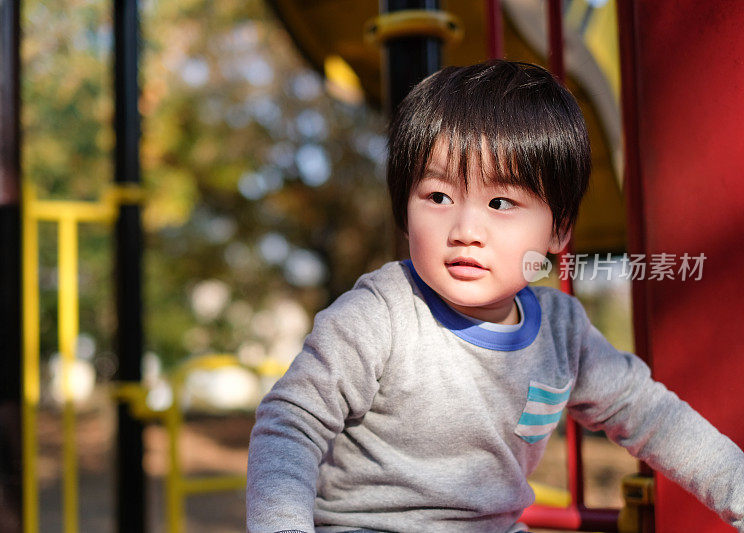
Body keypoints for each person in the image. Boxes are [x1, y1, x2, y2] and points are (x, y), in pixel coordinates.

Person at [245, 60, 744, 533]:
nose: (465, 230)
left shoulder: (562, 332)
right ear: (404, 206)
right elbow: (290, 423)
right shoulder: (381, 314)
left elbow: (653, 416)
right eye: (438, 197)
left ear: (559, 229)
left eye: (501, 202)